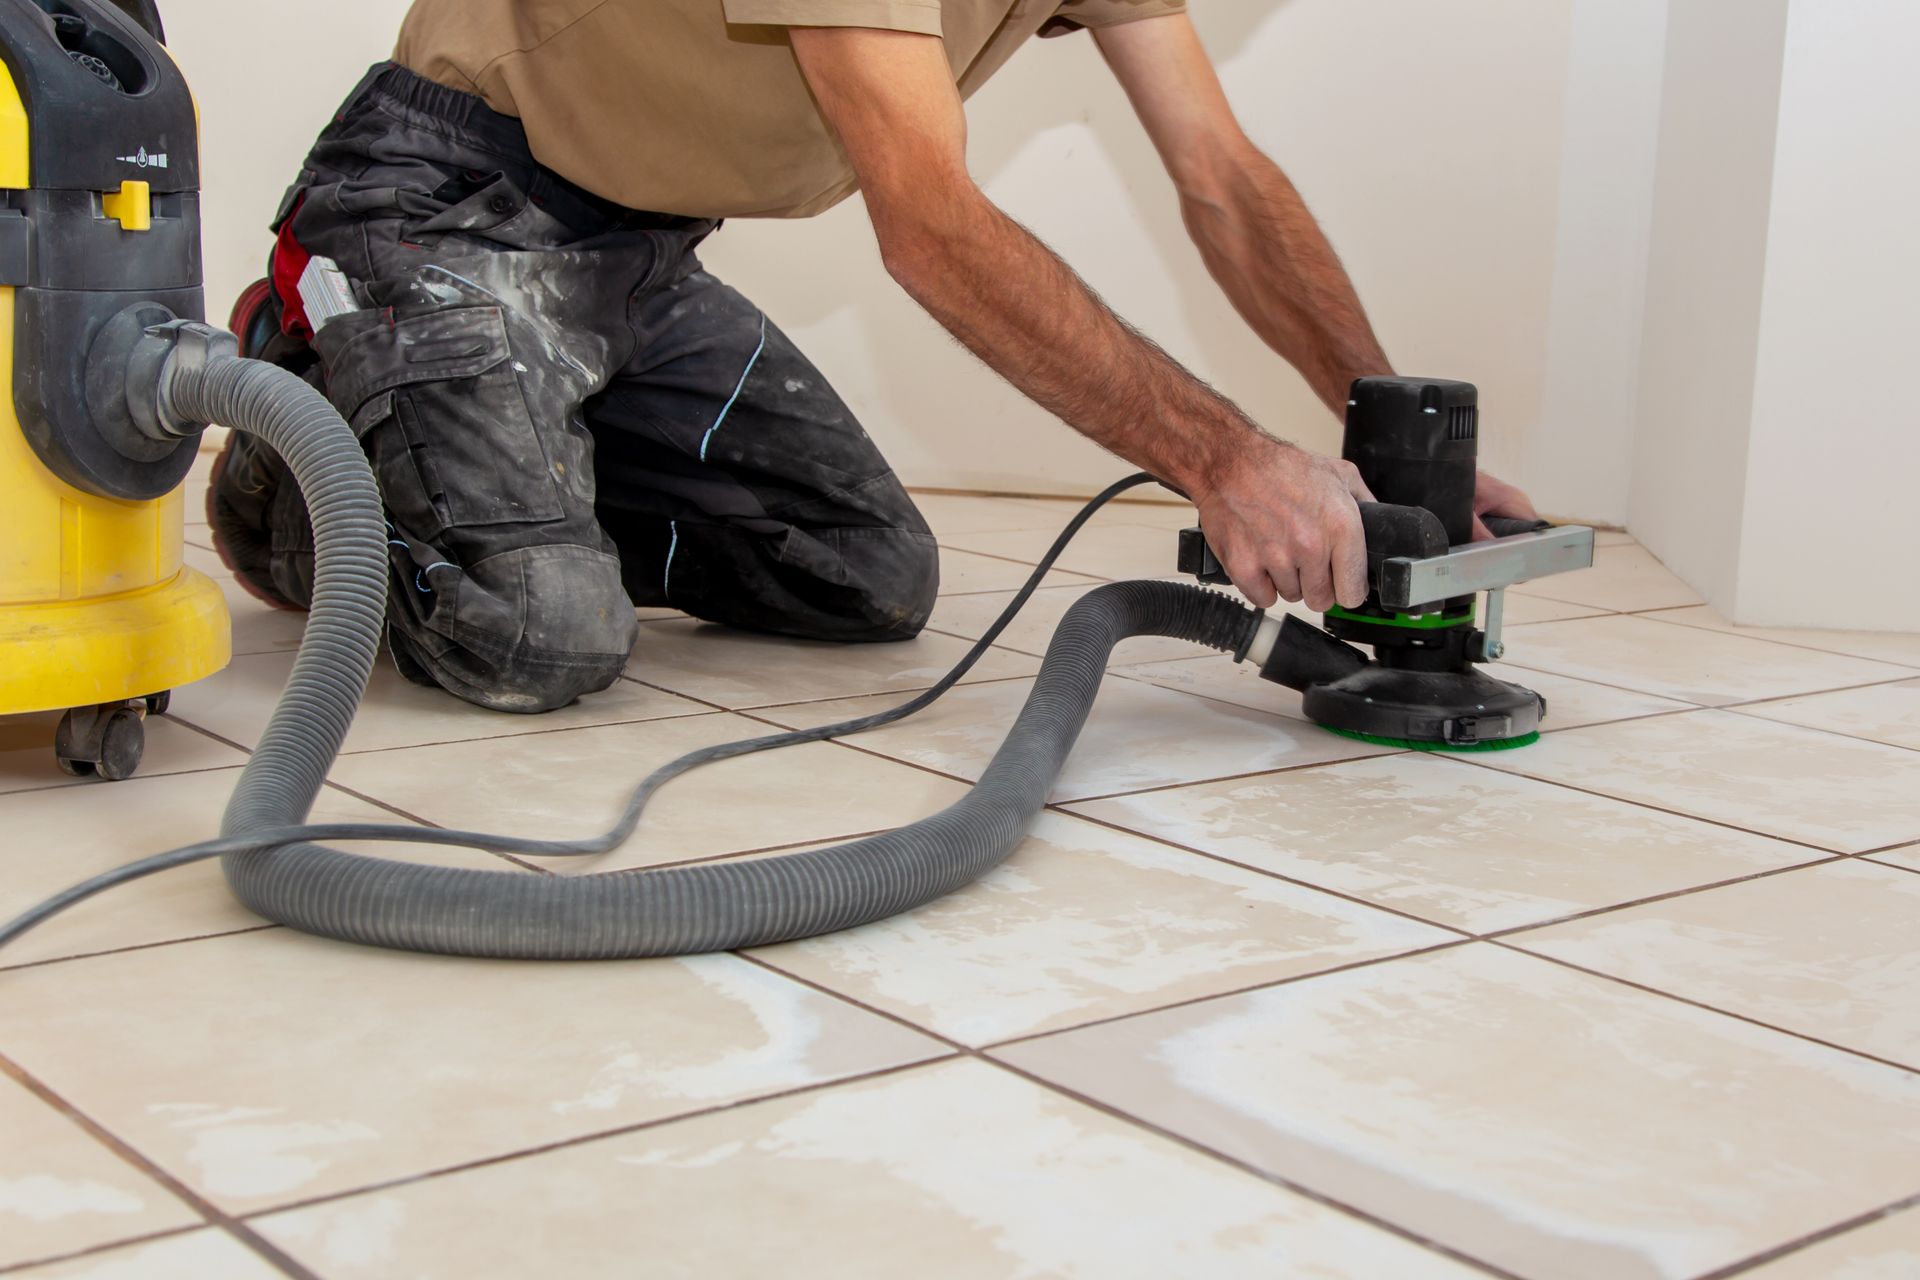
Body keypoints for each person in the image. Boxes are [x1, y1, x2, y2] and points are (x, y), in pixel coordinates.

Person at [208, 0, 1540, 714]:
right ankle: (306, 431)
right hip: (442, 210)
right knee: (541, 638)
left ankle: (497, 454)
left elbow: (1224, 179)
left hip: (638, 257)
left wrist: (1391, 434)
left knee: (865, 575)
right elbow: (936, 230)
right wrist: (1223, 459)